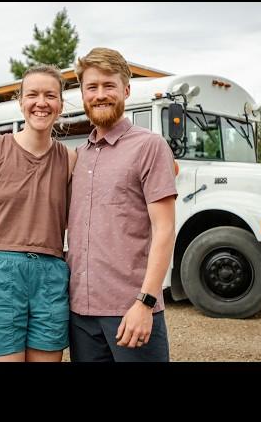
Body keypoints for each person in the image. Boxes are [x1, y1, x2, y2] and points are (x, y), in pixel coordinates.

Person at [0, 64, 77, 362]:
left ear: (60, 104)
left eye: (50, 95)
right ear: (20, 101)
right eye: (32, 94)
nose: (41, 102)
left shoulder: (70, 160)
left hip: (50, 276)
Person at [67, 47, 177, 362]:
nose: (100, 94)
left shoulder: (149, 147)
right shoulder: (80, 156)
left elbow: (165, 229)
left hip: (131, 311)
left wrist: (145, 302)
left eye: (109, 85)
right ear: (83, 94)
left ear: (125, 90)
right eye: (92, 87)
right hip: (81, 314)